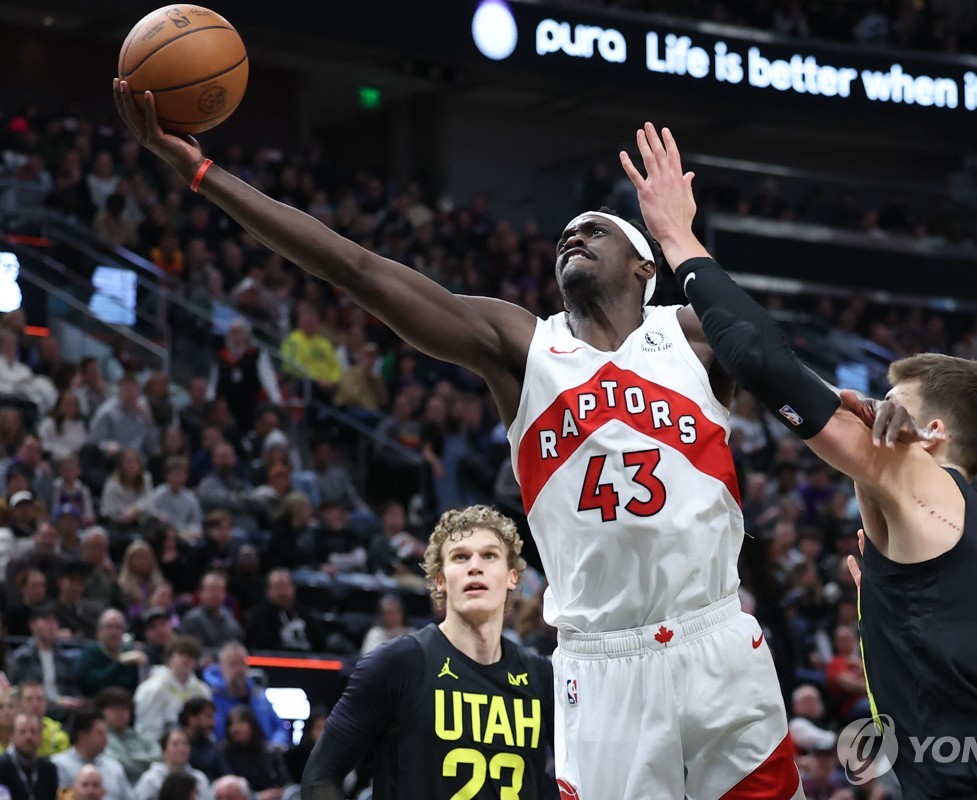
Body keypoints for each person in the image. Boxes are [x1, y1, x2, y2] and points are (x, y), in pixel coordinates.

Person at [116, 82, 799, 800]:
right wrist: (202, 174)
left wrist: (863, 406)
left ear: (643, 268)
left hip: (714, 634)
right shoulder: (524, 345)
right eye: (566, 233)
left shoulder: (689, 333)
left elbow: (779, 362)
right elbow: (358, 271)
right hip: (601, 664)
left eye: (595, 230)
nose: (573, 235)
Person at [622, 122, 977, 798]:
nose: (872, 410)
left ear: (932, 432)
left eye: (892, 403)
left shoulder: (919, 475)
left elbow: (761, 362)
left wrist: (679, 239)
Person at [301, 506, 553, 799]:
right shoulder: (396, 663)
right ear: (440, 580)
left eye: (489, 556)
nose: (475, 566)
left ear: (512, 577)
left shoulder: (541, 676)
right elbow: (319, 776)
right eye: (460, 556)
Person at [201, 643, 287, 750]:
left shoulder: (258, 695)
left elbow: (280, 727)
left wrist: (278, 742)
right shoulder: (210, 696)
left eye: (242, 664)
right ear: (222, 669)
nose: (239, 670)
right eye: (233, 665)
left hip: (265, 753)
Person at [133, 637, 211, 742]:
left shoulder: (203, 691)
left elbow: (207, 726)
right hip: (161, 745)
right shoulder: (152, 688)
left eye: (191, 656)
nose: (186, 659)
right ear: (169, 658)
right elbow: (147, 729)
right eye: (181, 654)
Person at [50, 708, 134, 800]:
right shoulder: (57, 765)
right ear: (82, 735)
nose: (106, 738)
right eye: (100, 733)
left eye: (106, 733)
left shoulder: (114, 767)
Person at [95, 688, 160, 784]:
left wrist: (128, 759)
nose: (120, 712)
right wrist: (145, 763)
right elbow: (115, 763)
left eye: (124, 708)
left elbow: (158, 758)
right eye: (114, 708)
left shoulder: (142, 737)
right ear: (102, 711)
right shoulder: (99, 737)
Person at [76, 610, 147, 697]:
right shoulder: (89, 653)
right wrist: (119, 662)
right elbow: (91, 685)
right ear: (99, 631)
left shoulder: (131, 654)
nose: (114, 632)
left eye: (118, 627)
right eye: (109, 627)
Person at [132, 729, 211, 800]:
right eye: (175, 744)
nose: (181, 749)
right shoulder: (150, 780)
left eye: (185, 744)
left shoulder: (200, 778)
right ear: (164, 751)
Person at [0, 713, 59, 800]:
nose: (29, 737)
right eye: (22, 732)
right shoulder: (2, 766)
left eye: (33, 732)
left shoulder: (49, 769)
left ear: (40, 736)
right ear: (12, 736)